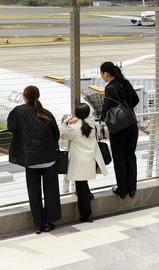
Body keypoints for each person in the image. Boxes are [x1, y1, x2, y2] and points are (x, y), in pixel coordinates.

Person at [7, 85, 62, 234]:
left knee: (34, 193)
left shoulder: (18, 111)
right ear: (38, 96)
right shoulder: (46, 113)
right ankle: (50, 222)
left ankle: (38, 224)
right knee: (51, 191)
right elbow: (56, 135)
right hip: (49, 159)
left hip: (31, 159)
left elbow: (11, 128)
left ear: (24, 96)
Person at [61, 103, 109, 223]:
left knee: (80, 187)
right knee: (83, 184)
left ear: (76, 114)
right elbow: (89, 120)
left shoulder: (73, 128)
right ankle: (89, 197)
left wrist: (66, 121)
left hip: (78, 162)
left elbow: (63, 135)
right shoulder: (93, 125)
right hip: (90, 159)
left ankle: (87, 215)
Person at [100, 61, 141, 199]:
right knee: (130, 156)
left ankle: (122, 190)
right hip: (132, 124)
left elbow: (106, 108)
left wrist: (103, 119)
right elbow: (136, 99)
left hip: (119, 129)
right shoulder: (125, 82)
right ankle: (132, 189)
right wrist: (126, 110)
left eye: (101, 74)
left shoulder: (110, 88)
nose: (102, 76)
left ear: (106, 73)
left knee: (119, 158)